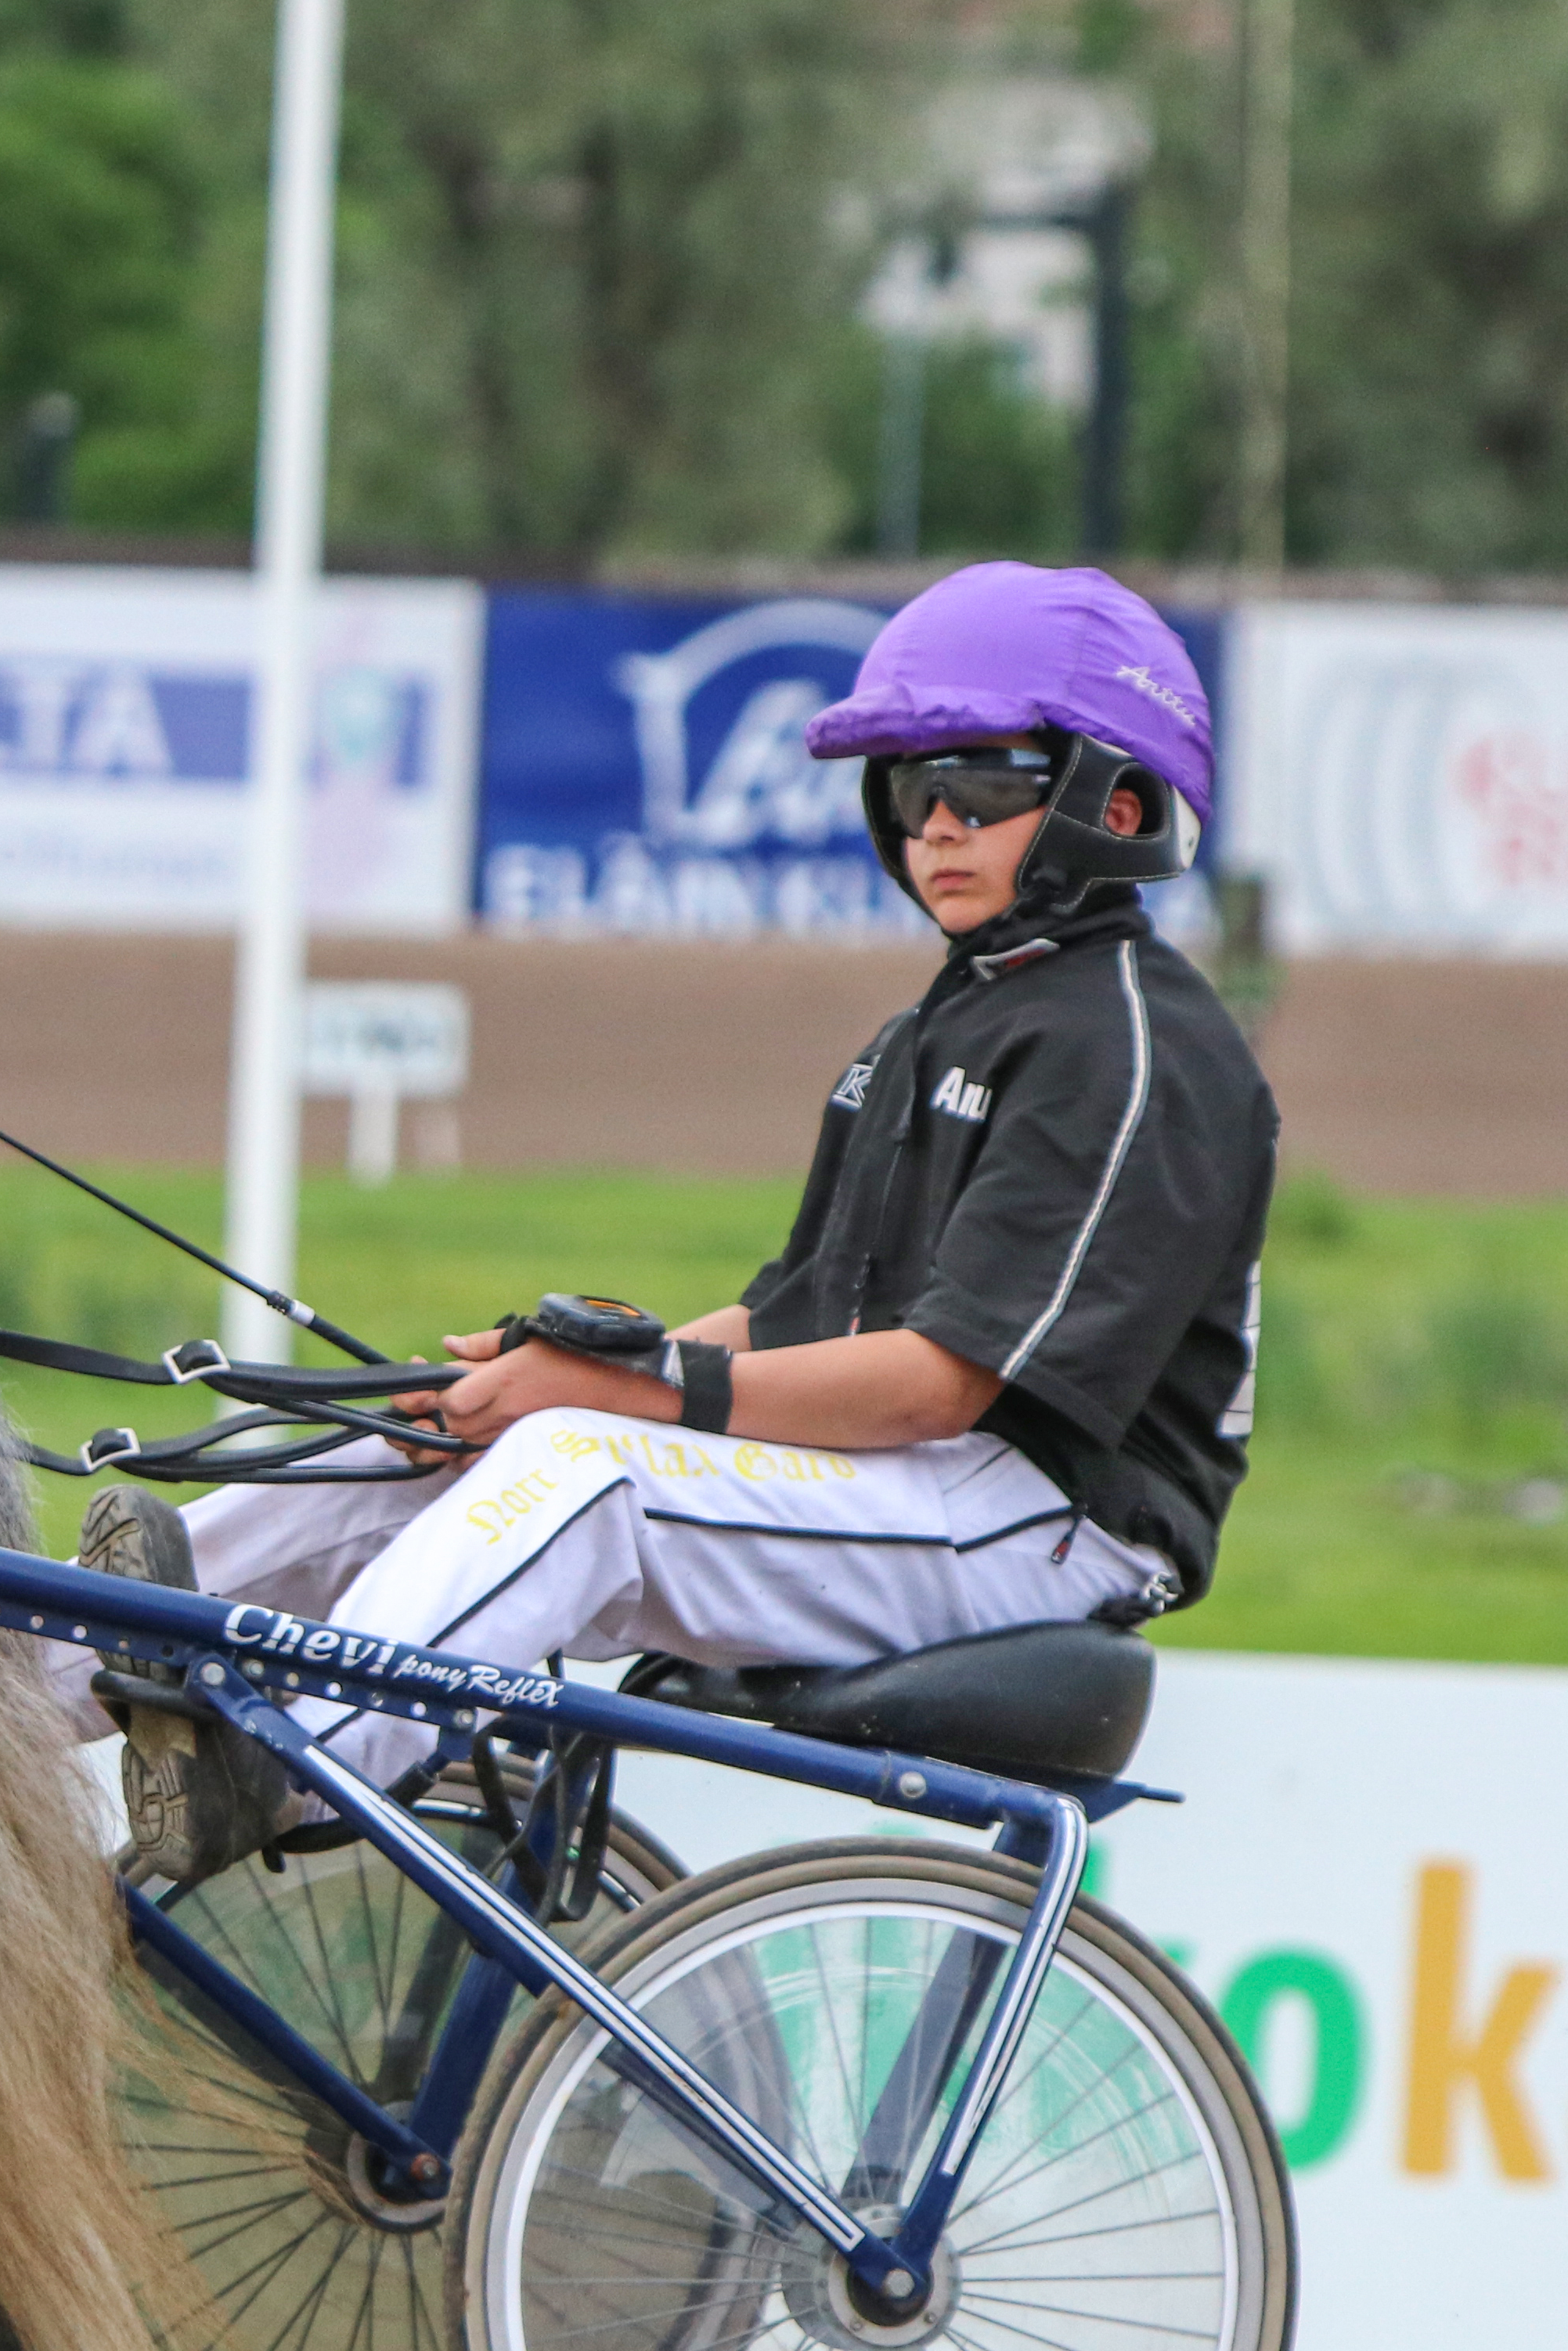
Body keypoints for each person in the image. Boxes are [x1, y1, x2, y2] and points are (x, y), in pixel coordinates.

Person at [78, 561, 1276, 1884]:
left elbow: (938, 1386)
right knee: (414, 1438)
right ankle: (3, 1695)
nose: (936, 822)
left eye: (983, 783)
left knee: (590, 1473)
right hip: (926, 1480)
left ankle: (293, 1767)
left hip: (1048, 1523)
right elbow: (794, 1315)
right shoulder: (938, 1022)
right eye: (908, 786)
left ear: (1112, 800)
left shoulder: (1136, 1041)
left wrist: (621, 1396)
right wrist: (537, 1383)